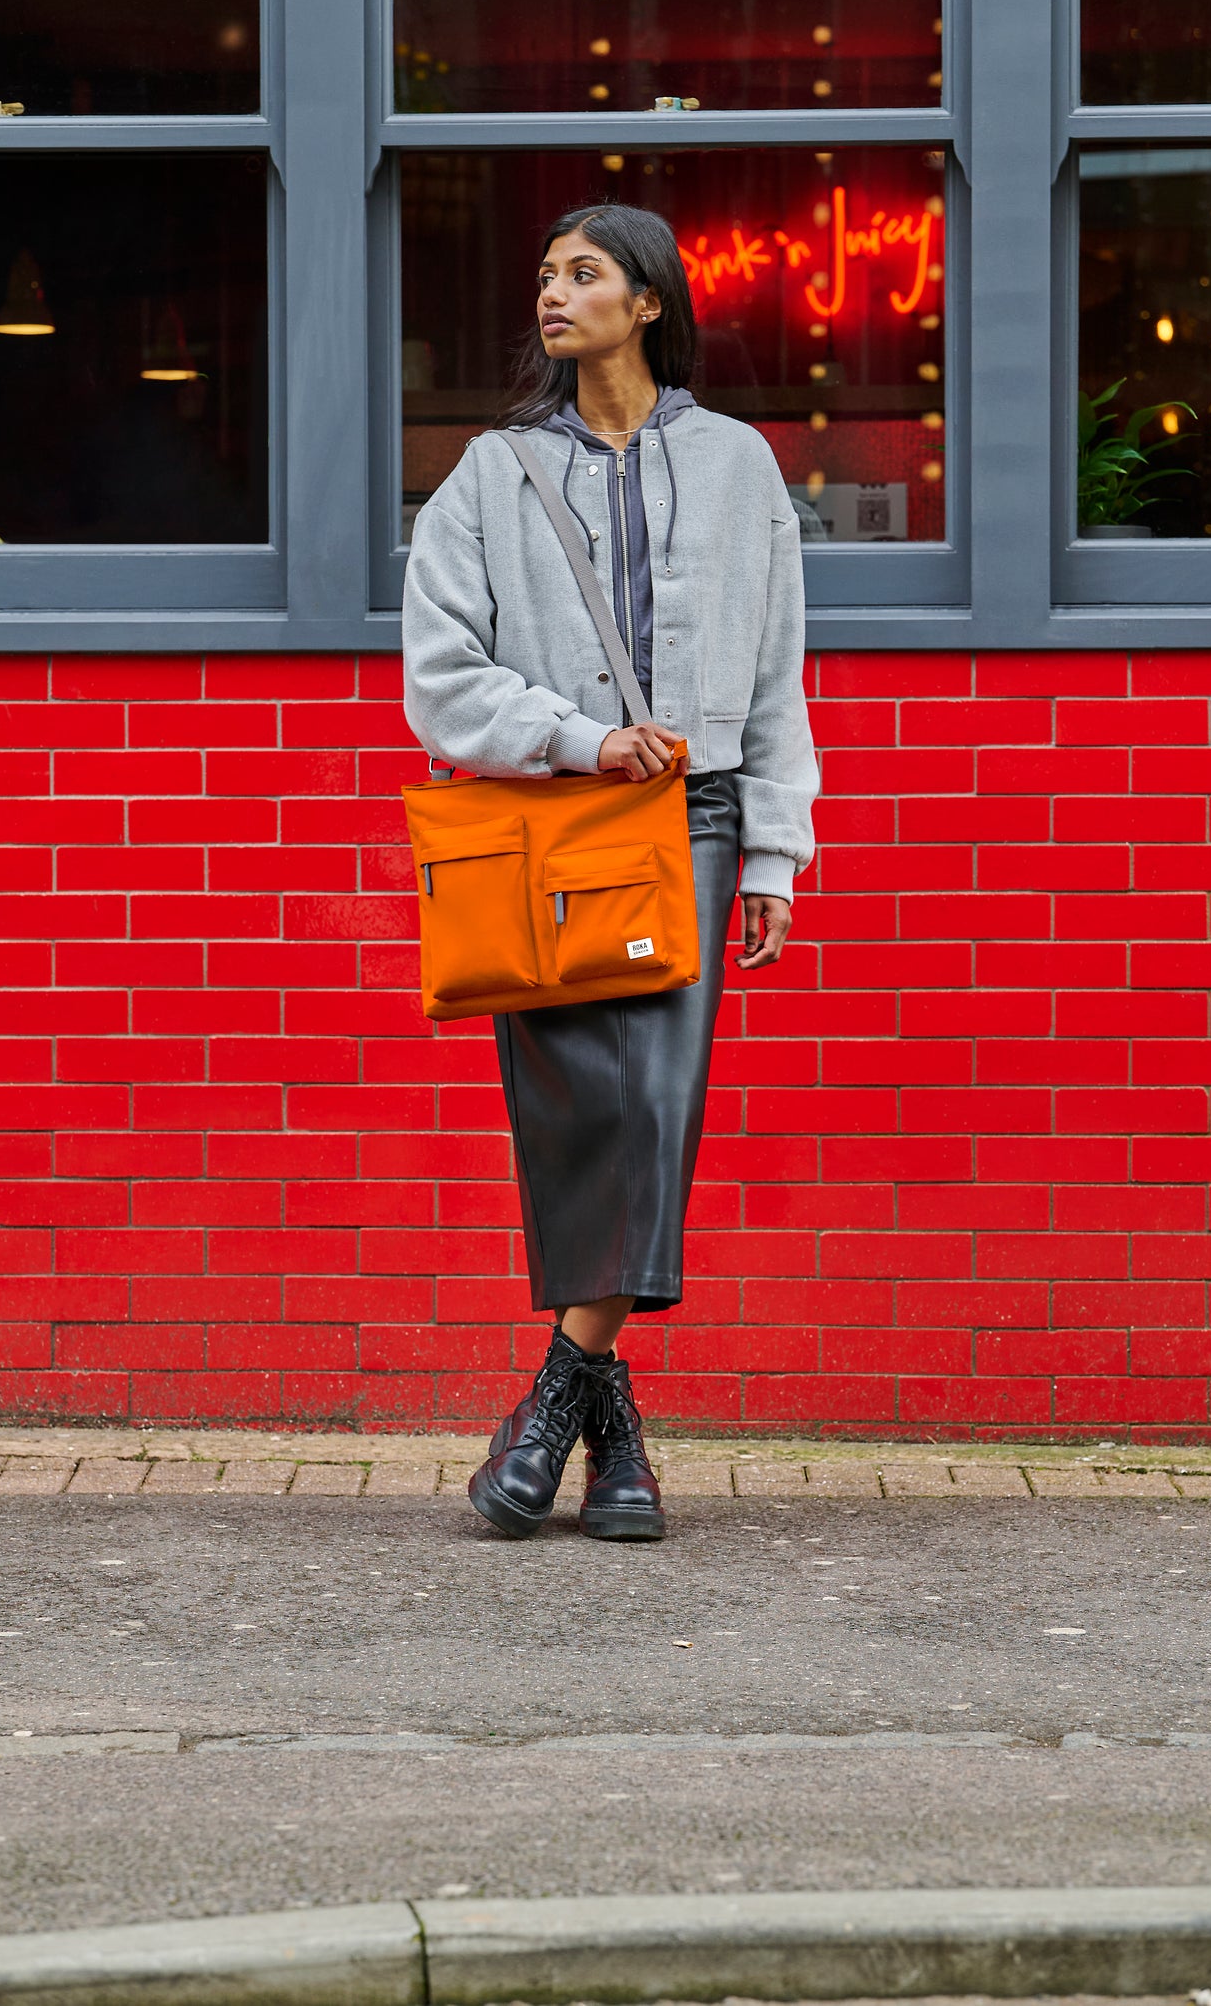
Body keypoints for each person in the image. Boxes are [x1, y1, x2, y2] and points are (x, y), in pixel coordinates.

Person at [402, 202, 818, 1543]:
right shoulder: (488, 476)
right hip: (554, 824)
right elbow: (441, 677)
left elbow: (772, 676)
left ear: (647, 301)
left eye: (582, 273)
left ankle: (549, 1403)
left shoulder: (742, 467)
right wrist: (579, 738)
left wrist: (774, 850)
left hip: (692, 822)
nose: (550, 292)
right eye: (542, 273)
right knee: (578, 1111)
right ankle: (613, 1438)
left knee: (656, 1108)